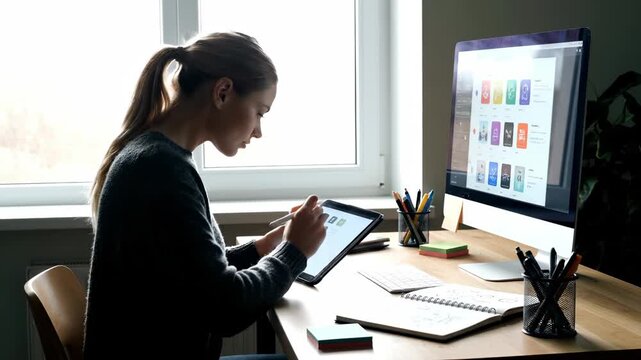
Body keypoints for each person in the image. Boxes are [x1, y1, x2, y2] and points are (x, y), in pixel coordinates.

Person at [84, 31, 328, 359]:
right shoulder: (160, 171)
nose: (258, 131)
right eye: (260, 112)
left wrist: (262, 249)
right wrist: (293, 253)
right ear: (223, 92)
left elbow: (194, 275)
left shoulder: (156, 156)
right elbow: (226, 307)